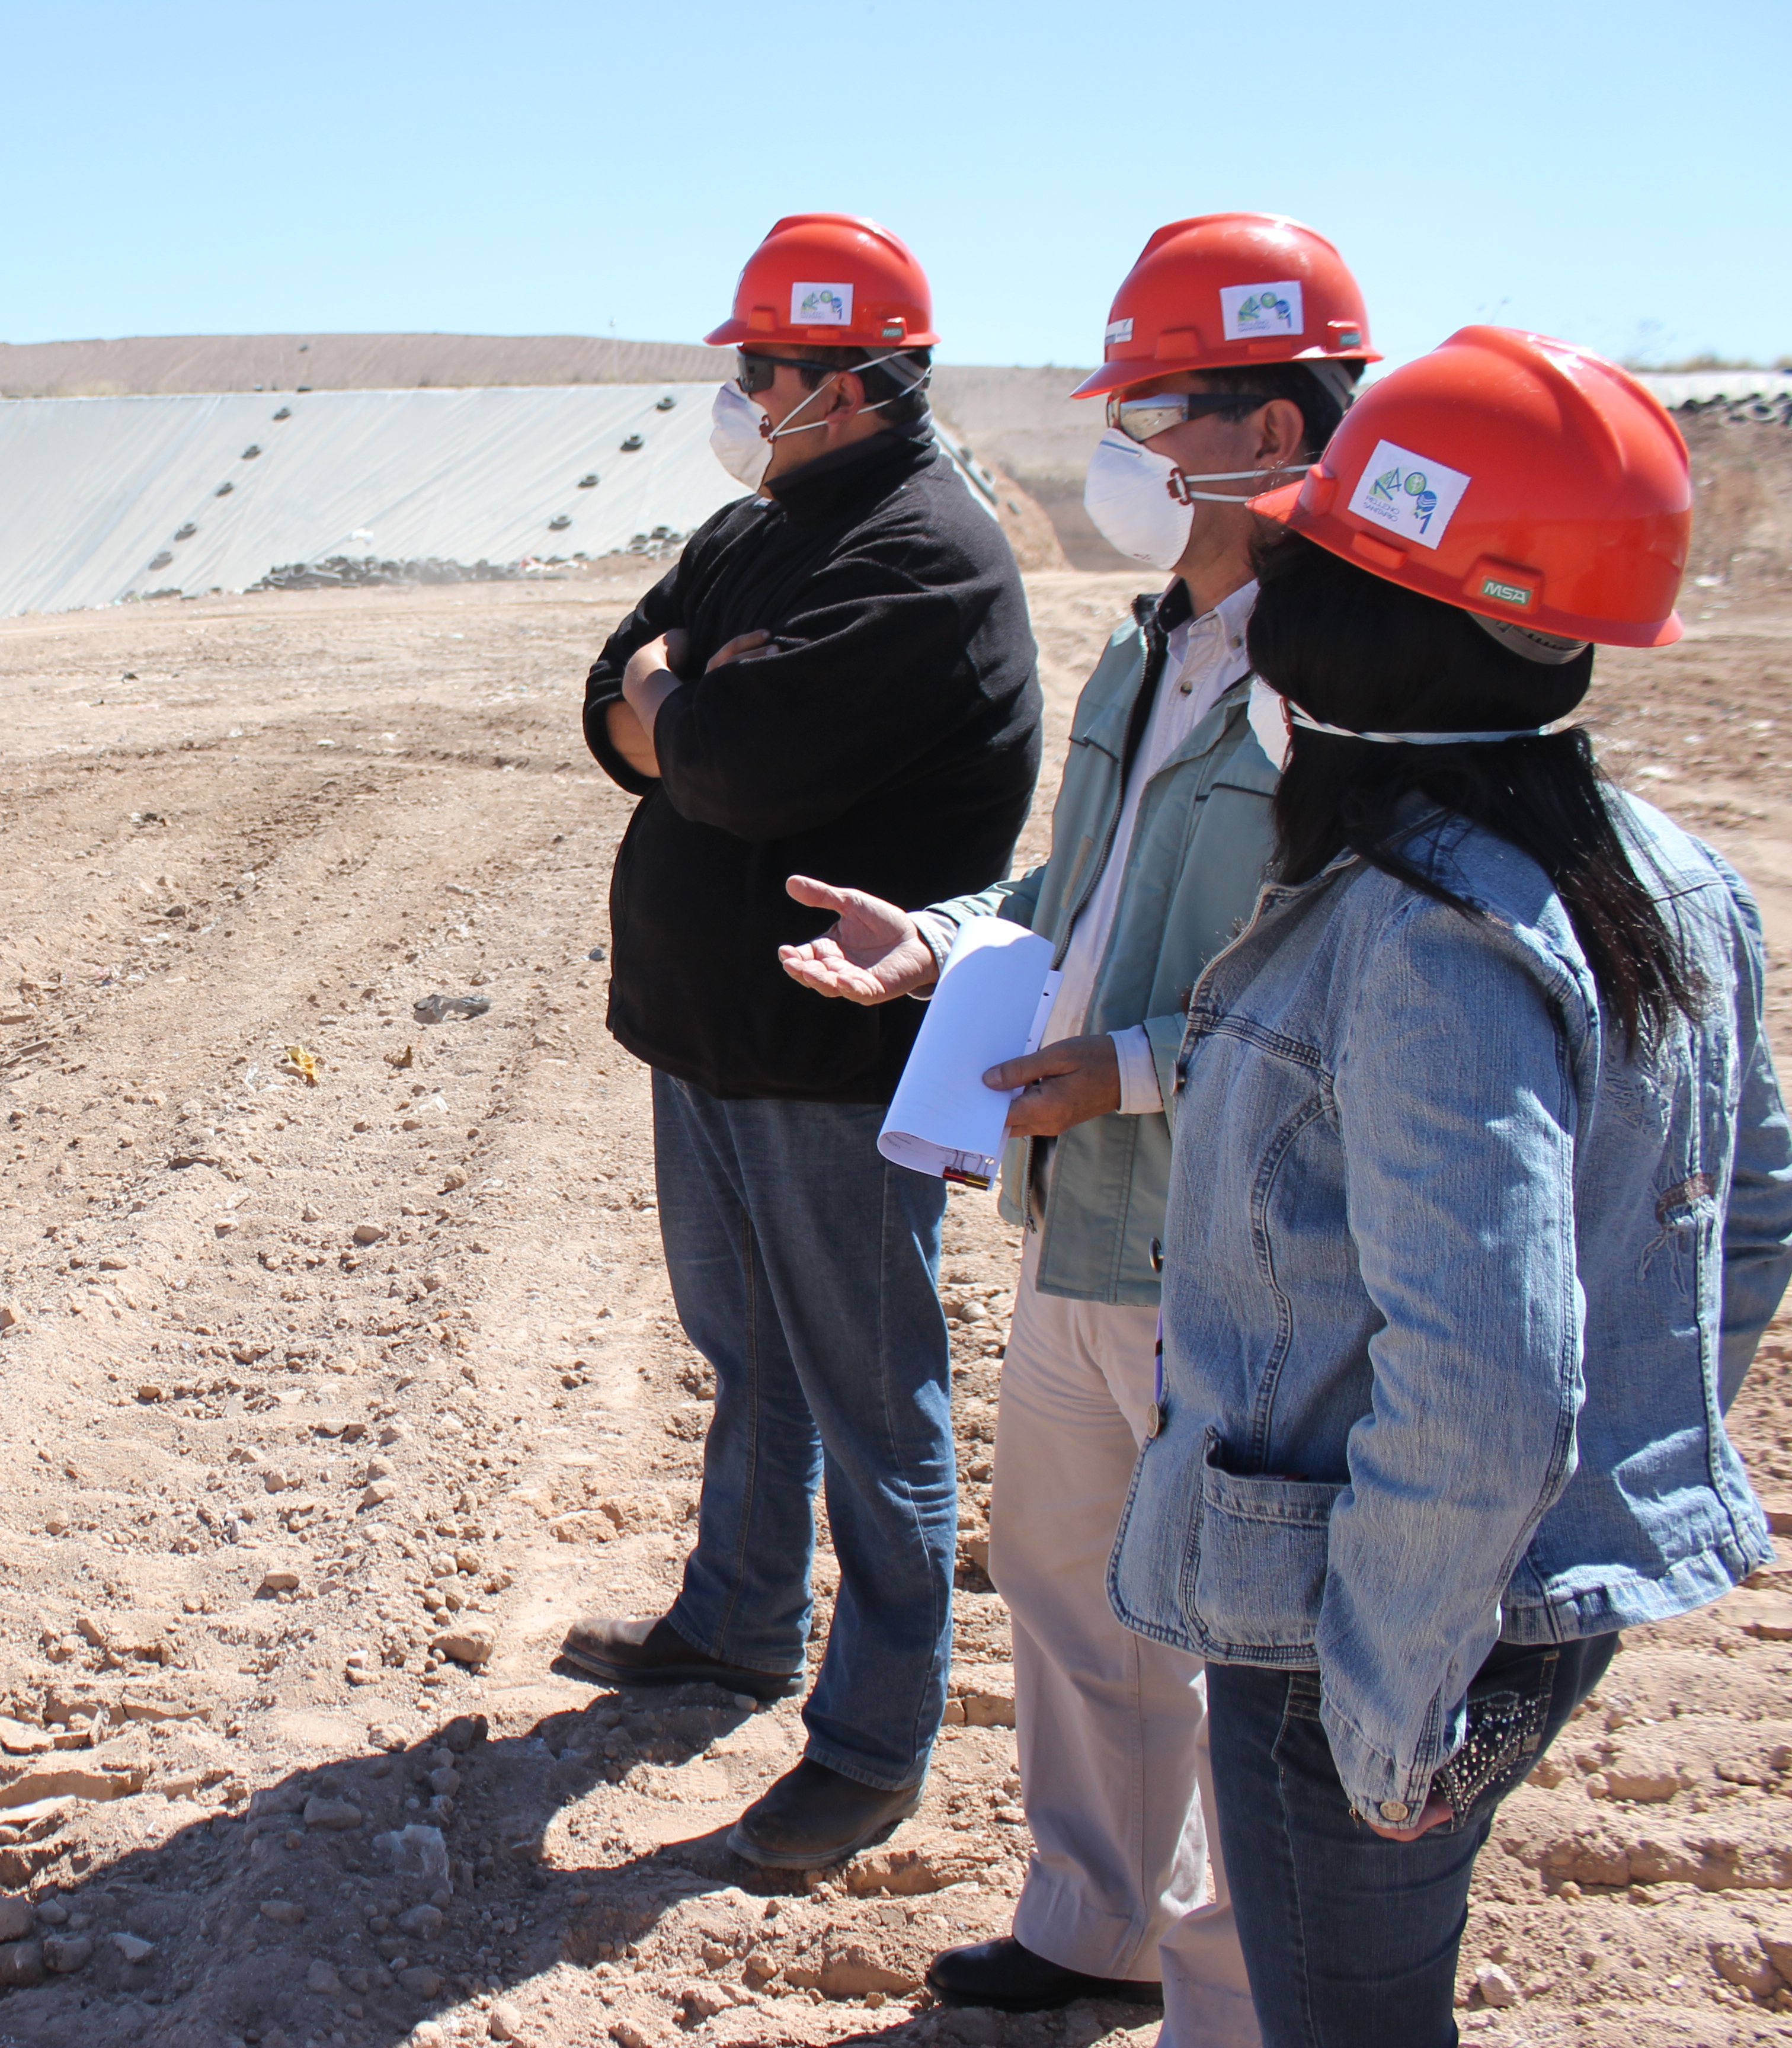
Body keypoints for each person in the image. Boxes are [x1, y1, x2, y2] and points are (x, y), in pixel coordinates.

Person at [1107, 326, 1792, 2047]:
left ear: (1394, 614)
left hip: (1363, 1625)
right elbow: (1745, 1222)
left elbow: (1487, 1370)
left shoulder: (1423, 931)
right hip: (1500, 1597)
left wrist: (1397, 1701)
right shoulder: (1669, 878)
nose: (1269, 584)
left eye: (1308, 555)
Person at [776, 213, 1375, 2034]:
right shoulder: (1150, 648)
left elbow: (1362, 996)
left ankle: (1230, 1992)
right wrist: (941, 945)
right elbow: (1084, 890)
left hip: (1242, 1251)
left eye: (1151, 406)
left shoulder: (1352, 681)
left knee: (1245, 1645)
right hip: (1081, 1221)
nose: (1117, 443)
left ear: (1270, 431)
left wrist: (1129, 1069)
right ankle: (1096, 1928)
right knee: (1069, 1585)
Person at [567, 213, 1042, 1868]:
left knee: (870, 1396)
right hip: (709, 1041)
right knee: (751, 1361)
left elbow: (733, 768)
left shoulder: (920, 554)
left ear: (844, 382)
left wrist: (684, 700)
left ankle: (875, 1737)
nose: (739, 389)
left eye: (760, 366)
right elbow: (610, 706)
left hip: (833, 1062)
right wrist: (681, 691)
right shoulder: (760, 526)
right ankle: (736, 1626)